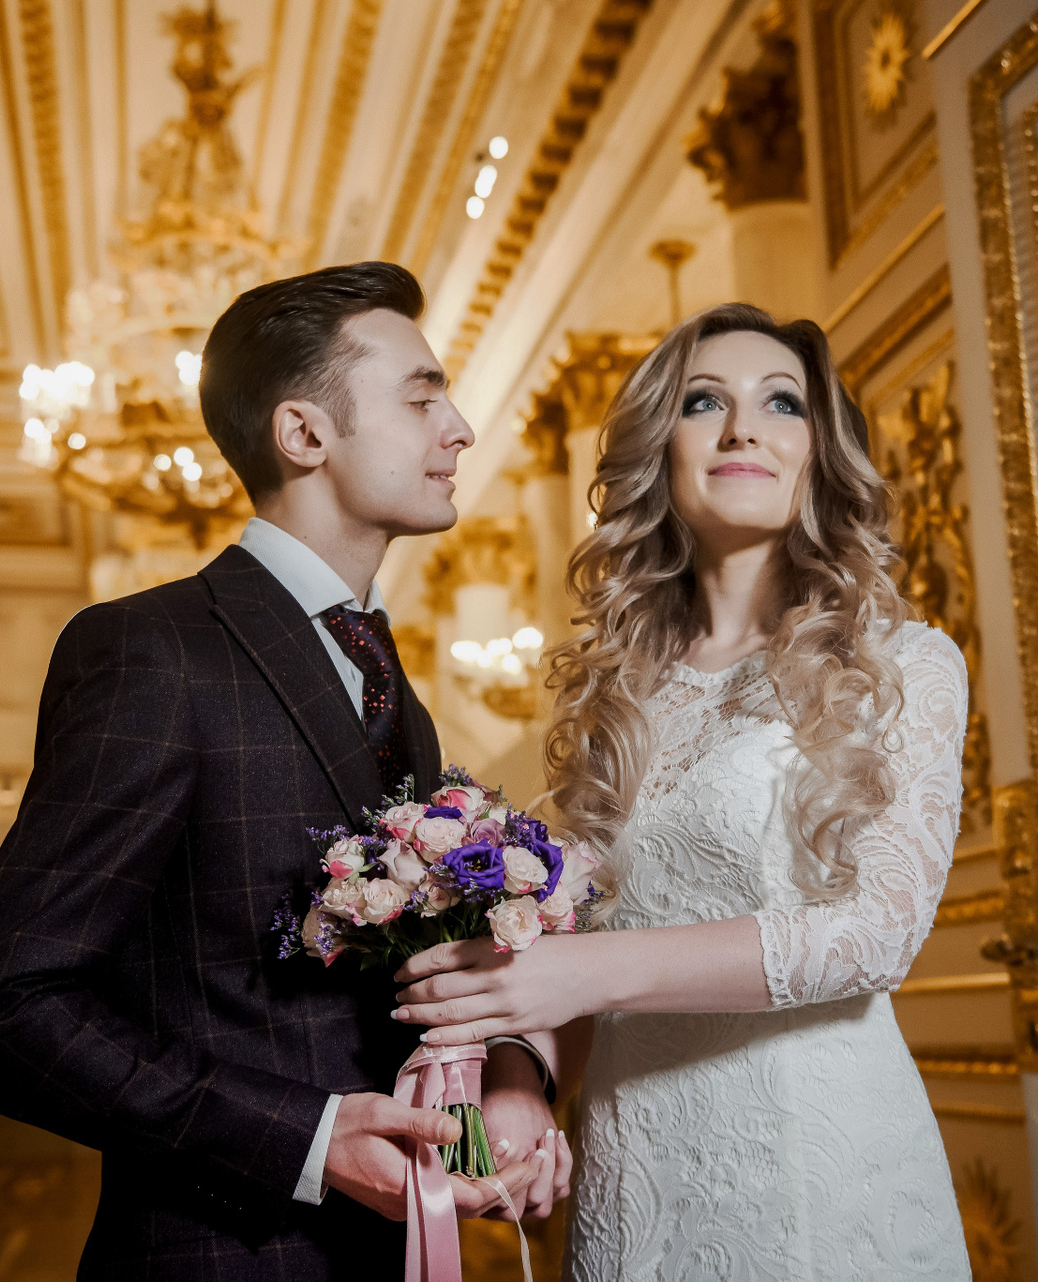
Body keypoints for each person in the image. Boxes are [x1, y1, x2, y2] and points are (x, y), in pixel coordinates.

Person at [0, 261, 568, 1279]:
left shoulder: (391, 684)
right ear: (303, 433)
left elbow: (410, 978)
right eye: (421, 397)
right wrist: (310, 1142)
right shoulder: (152, 650)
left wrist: (509, 1076)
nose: (460, 429)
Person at [393, 303, 974, 1279]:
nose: (743, 427)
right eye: (705, 402)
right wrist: (522, 1078)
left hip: (813, 1165)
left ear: (822, 453)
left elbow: (877, 933)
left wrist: (587, 972)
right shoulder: (613, 693)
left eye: (782, 402)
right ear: (660, 451)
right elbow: (569, 937)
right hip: (630, 1170)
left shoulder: (901, 662)